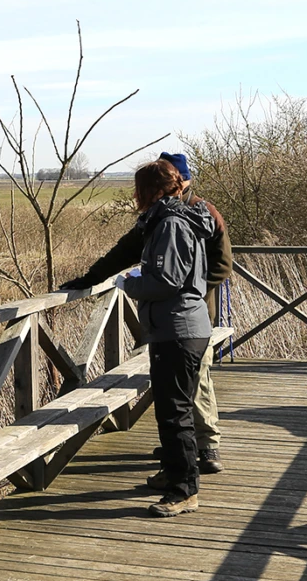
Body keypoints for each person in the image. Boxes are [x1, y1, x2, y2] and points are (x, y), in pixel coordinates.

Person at [59, 152, 232, 473]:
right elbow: (123, 252)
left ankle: (206, 448)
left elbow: (221, 266)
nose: (136, 197)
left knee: (197, 384)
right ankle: (180, 450)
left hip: (189, 315)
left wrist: (184, 291)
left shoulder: (189, 216)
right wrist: (88, 280)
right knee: (175, 395)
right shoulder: (157, 218)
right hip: (176, 317)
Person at [118, 158, 215, 517]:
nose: (135, 197)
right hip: (182, 327)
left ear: (152, 191)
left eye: (138, 190)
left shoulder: (171, 223)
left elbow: (168, 282)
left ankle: (184, 490)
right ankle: (175, 474)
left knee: (175, 413)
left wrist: (130, 284)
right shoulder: (178, 218)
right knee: (173, 409)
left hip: (178, 329)